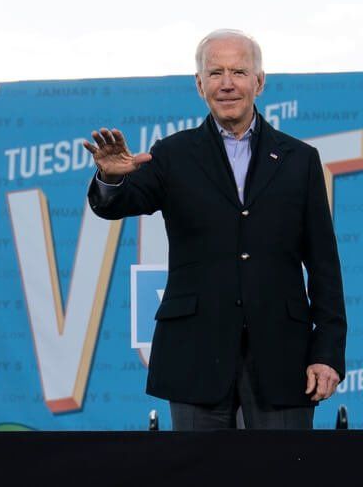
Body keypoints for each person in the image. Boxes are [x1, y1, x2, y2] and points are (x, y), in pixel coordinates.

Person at [85, 29, 346, 430]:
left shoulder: (300, 160)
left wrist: (326, 352)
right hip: (194, 355)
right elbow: (116, 204)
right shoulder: (171, 154)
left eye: (239, 72)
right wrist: (110, 177)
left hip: (283, 357)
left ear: (259, 82)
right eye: (216, 72)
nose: (227, 83)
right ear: (199, 84)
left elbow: (324, 266)